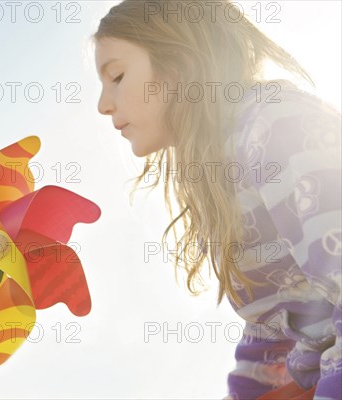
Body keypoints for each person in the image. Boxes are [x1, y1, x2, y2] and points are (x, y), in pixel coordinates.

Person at [92, 1, 341, 399]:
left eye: (117, 75)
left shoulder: (276, 126)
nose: (103, 104)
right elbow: (270, 330)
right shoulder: (220, 175)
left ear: (180, 63)